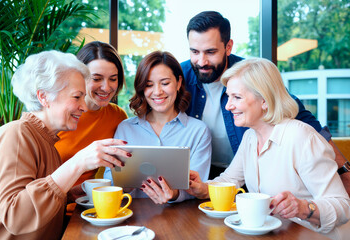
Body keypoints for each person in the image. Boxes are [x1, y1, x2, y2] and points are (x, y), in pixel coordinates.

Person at [180, 10, 350, 194]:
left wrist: (343, 172)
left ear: (228, 47)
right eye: (194, 51)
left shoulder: (246, 76)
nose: (201, 61)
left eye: (210, 52)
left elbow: (304, 121)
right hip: (209, 172)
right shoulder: (179, 76)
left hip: (251, 173)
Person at [186, 58, 350, 238]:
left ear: (264, 100)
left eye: (237, 97)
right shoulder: (250, 136)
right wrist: (202, 187)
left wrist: (303, 208)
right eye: (228, 96)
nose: (228, 106)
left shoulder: (301, 137)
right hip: (277, 234)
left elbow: (342, 206)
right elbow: (229, 180)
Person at [0, 51, 130, 239]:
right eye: (77, 97)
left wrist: (72, 194)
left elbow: (39, 203)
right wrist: (78, 162)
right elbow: (16, 217)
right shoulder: (15, 134)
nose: (85, 107)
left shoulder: (48, 141)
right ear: (44, 97)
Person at [104, 51, 211, 204]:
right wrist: (123, 186)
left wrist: (174, 194)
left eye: (165, 83)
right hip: (131, 216)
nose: (157, 92)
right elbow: (108, 181)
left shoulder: (199, 131)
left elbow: (198, 187)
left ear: (179, 83)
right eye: (149, 85)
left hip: (182, 218)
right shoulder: (125, 128)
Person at [55, 41, 128, 201]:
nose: (106, 87)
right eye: (97, 78)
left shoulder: (118, 117)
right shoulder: (58, 115)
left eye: (113, 79)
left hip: (95, 206)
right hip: (56, 207)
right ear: (78, 77)